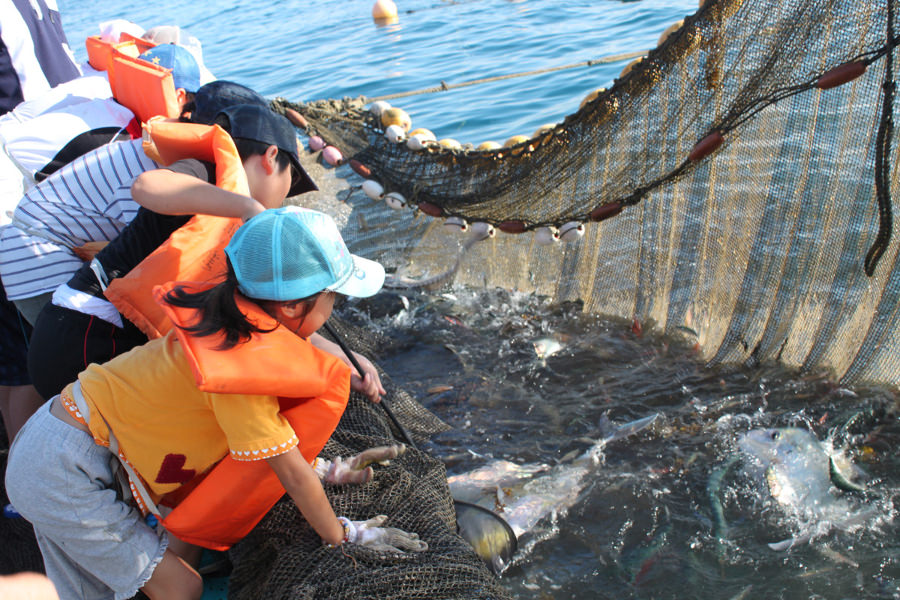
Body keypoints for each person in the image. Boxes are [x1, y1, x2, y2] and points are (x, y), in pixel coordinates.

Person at [6, 206, 427, 600]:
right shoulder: (241, 381)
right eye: (333, 297)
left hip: (60, 437)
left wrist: (327, 465)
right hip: (62, 470)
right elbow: (291, 475)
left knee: (100, 582)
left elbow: (292, 346)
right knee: (181, 589)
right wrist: (343, 534)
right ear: (293, 306)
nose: (335, 307)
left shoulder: (224, 305)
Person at [0, 0, 81, 449]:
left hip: (46, 178)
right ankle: (32, 489)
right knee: (29, 352)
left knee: (18, 353)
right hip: (16, 192)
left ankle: (25, 481)